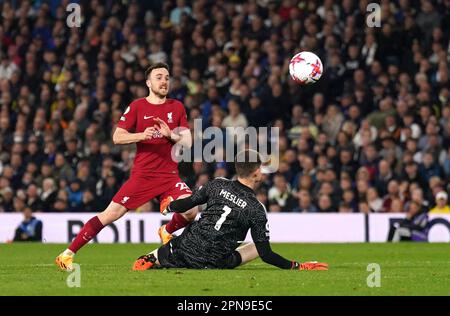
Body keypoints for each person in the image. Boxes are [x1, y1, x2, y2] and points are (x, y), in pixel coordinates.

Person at [55, 62, 195, 270]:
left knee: (191, 210)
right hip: (143, 176)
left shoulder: (177, 107)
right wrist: (142, 135)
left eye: (167, 77)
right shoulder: (138, 106)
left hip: (169, 175)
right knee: (110, 215)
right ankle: (67, 254)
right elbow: (117, 137)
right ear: (148, 83)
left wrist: (170, 135)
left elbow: (188, 142)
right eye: (159, 77)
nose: (164, 81)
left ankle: (167, 229)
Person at [132, 149, 328, 271]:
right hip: (216, 262)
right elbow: (266, 254)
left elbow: (187, 204)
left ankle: (151, 257)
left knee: (180, 238)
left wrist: (169, 206)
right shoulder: (256, 208)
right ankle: (162, 254)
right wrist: (297, 266)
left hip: (185, 251)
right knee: (255, 247)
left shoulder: (217, 184)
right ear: (257, 172)